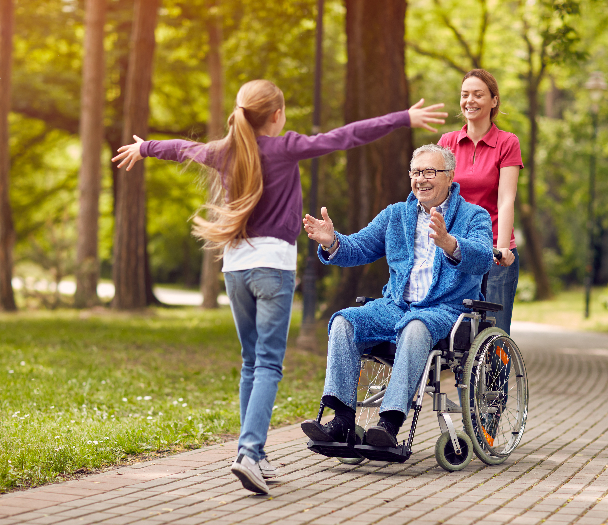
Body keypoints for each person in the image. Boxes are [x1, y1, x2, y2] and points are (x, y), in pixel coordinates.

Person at [111, 80, 447, 494]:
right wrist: (404, 119)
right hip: (272, 269)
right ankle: (249, 453)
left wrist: (145, 147)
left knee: (251, 361)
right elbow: (344, 137)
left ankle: (258, 455)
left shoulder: (225, 150)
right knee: (268, 364)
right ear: (276, 115)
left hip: (235, 269)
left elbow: (182, 148)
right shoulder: (284, 146)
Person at [300, 144, 492, 448]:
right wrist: (331, 241)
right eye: (416, 172)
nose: (421, 179)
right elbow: (358, 248)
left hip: (443, 310)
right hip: (395, 307)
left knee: (415, 326)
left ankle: (388, 425)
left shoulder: (473, 216)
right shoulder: (396, 215)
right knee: (344, 322)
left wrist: (450, 243)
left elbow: (483, 259)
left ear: (449, 176)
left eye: (430, 171)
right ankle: (342, 421)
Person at [438, 69, 523, 335]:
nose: (470, 101)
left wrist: (501, 248)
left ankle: (497, 378)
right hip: (457, 248)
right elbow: (437, 197)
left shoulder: (507, 143)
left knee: (494, 333)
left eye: (478, 94)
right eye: (465, 95)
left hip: (495, 251)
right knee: (454, 333)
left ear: (494, 101)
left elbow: (506, 199)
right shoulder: (447, 142)